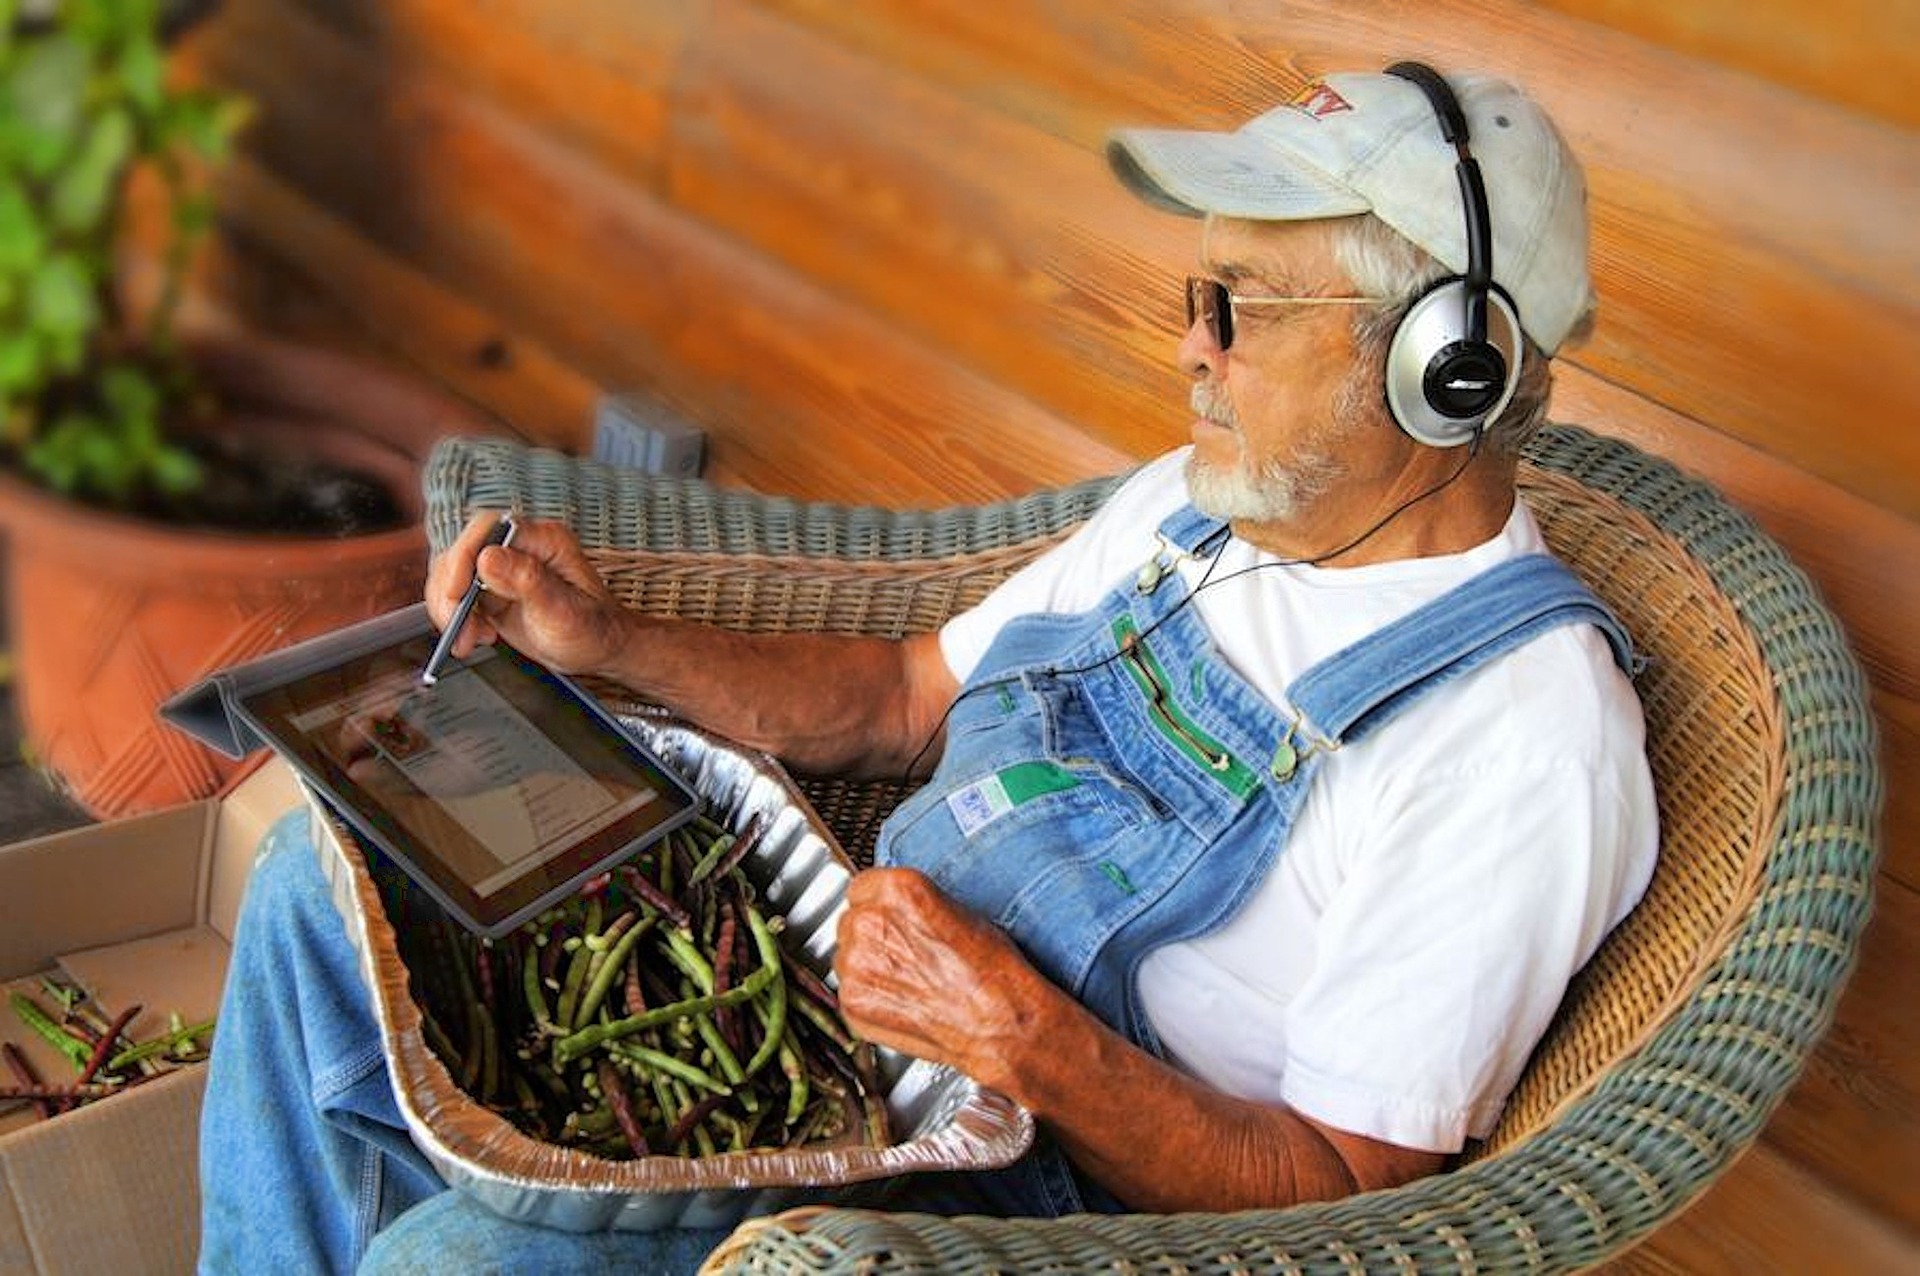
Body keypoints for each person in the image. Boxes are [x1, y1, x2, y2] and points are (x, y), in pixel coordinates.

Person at [197, 63, 1658, 1274]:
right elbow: (905, 695)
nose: (1192, 358)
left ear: (1443, 368)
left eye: (1244, 311)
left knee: (449, 1268)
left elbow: (1351, 1205)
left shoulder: (1521, 741)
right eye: (1192, 302)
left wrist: (1026, 1037)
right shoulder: (1199, 504)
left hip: (1024, 1204)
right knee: (320, 888)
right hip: (829, 998)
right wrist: (615, 644)